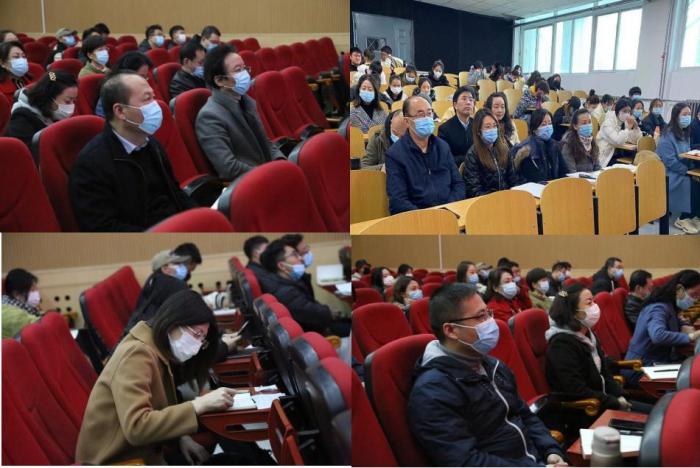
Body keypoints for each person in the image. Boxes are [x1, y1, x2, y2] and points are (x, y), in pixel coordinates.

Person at [407, 284, 568, 467]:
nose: (490, 322)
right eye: (480, 317)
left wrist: (551, 451)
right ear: (451, 330)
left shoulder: (492, 364)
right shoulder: (433, 391)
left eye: (488, 313)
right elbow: (466, 461)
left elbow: (524, 414)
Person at [76, 290, 240, 465]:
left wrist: (180, 438)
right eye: (196, 335)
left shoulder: (157, 349)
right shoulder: (136, 355)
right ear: (173, 322)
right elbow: (137, 428)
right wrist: (198, 405)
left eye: (202, 340)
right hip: (117, 461)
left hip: (145, 452)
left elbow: (156, 408)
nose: (197, 345)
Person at [70, 72, 197, 231]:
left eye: (153, 97)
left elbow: (175, 193)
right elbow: (103, 228)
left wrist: (199, 217)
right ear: (120, 111)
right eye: (147, 99)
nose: (156, 106)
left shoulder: (151, 144)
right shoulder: (91, 164)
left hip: (176, 227)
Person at [545, 285, 645, 435]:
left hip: (604, 402)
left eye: (594, 301)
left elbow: (604, 372)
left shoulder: (587, 334)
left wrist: (620, 395)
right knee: (653, 425)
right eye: (589, 302)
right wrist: (614, 402)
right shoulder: (561, 345)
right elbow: (576, 390)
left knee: (658, 413)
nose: (595, 307)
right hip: (585, 412)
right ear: (573, 312)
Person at [196, 44, 283, 181]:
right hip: (250, 182)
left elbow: (265, 142)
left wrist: (281, 162)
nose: (246, 75)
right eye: (238, 70)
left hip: (267, 173)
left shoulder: (246, 102)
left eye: (245, 68)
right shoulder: (209, 116)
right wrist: (268, 174)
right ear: (219, 80)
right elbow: (228, 167)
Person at [386, 95, 465, 214]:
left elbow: (458, 184)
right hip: (417, 218)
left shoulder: (442, 147)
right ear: (407, 121)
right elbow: (398, 201)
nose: (427, 118)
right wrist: (428, 216)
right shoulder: (395, 154)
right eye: (420, 114)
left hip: (449, 212)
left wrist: (448, 210)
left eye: (429, 113)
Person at [624, 270, 700, 384]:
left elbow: (673, 320)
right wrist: (690, 336)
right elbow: (658, 335)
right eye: (694, 295)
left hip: (658, 361)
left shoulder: (669, 304)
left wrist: (683, 325)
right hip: (641, 367)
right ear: (679, 290)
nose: (695, 299)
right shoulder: (658, 307)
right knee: (691, 378)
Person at [260, 239, 343, 335]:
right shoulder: (285, 291)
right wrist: (329, 312)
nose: (301, 258)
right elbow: (312, 313)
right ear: (282, 266)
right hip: (315, 333)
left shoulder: (291, 281)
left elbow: (311, 303)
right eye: (295, 255)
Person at [656, 102, 700, 234]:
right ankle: (683, 218)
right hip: (669, 174)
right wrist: (688, 171)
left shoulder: (684, 133)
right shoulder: (667, 135)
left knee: (697, 181)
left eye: (689, 114)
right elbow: (670, 162)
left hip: (682, 169)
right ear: (676, 116)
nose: (687, 117)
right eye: (684, 114)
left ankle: (695, 216)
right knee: (694, 185)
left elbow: (686, 152)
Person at [6, 70, 77, 149]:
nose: (72, 105)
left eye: (74, 101)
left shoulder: (55, 113)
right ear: (49, 97)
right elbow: (27, 152)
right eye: (67, 101)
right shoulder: (21, 119)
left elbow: (52, 73)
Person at [463, 108, 521, 197]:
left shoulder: (504, 149)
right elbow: (473, 189)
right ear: (478, 131)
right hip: (487, 200)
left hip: (507, 197)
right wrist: (495, 199)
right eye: (487, 127)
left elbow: (513, 179)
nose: (492, 129)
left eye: (494, 126)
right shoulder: (473, 154)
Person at [511, 109, 565, 183]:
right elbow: (536, 178)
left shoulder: (554, 144)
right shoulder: (526, 149)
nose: (548, 127)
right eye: (543, 124)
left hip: (553, 186)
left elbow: (564, 171)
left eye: (550, 123)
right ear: (534, 128)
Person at [95, 51, 153, 117]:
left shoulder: (136, 89)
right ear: (127, 72)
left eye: (145, 77)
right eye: (141, 76)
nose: (144, 81)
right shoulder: (112, 91)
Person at [596, 97, 642, 167]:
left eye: (629, 112)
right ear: (617, 111)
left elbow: (635, 140)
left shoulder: (624, 122)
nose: (627, 114)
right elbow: (617, 141)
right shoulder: (607, 123)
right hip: (606, 157)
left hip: (619, 154)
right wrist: (628, 129)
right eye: (624, 111)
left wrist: (636, 127)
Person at [438, 86, 476, 168]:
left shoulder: (477, 125)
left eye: (471, 100)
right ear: (455, 105)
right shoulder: (444, 129)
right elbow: (444, 158)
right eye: (464, 99)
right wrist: (468, 159)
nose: (468, 102)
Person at [1, 268, 42, 339]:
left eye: (36, 289)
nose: (37, 293)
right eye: (32, 290)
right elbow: (39, 329)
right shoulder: (13, 314)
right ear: (16, 293)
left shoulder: (12, 304)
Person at [560, 108, 601, 173]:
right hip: (576, 178)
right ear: (575, 126)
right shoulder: (568, 145)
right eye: (584, 123)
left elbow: (597, 167)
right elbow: (571, 172)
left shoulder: (591, 141)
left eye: (589, 122)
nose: (588, 125)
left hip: (591, 178)